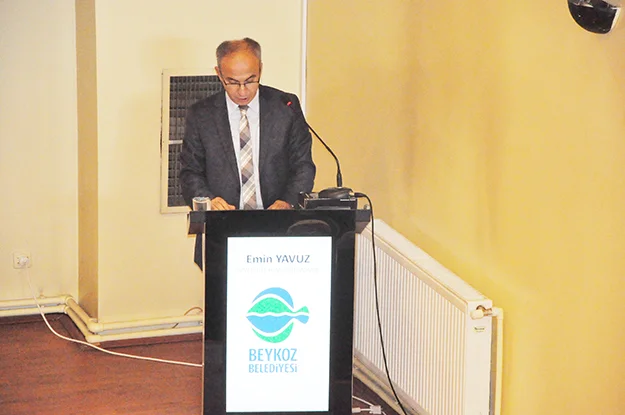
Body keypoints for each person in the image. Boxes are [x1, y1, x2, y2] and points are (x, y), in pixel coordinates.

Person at [179, 37, 315, 211]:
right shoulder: (201, 115)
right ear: (219, 74)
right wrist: (209, 201)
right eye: (233, 82)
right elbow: (190, 172)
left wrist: (288, 202)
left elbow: (303, 165)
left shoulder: (285, 106)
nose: (242, 91)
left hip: (278, 219)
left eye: (250, 80)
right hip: (222, 220)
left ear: (260, 69)